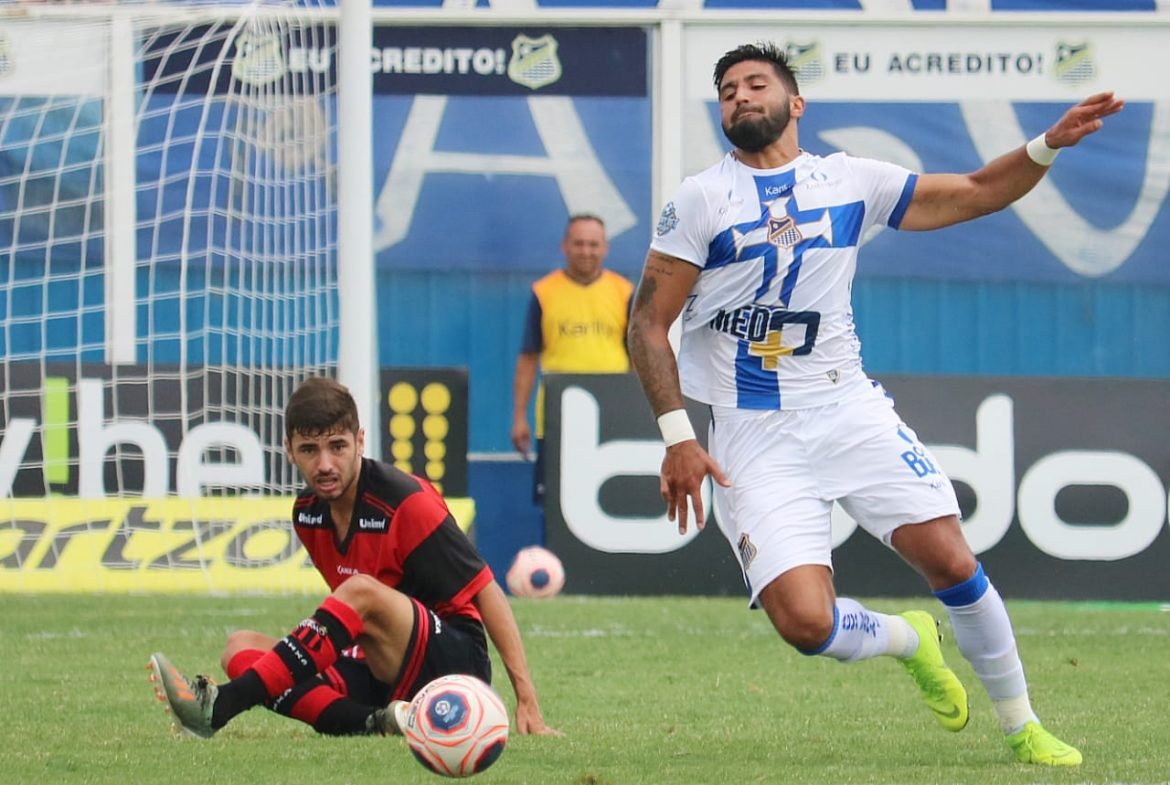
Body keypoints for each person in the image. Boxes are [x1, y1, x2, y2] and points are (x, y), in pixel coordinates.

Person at [627, 41, 1123, 767]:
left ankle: (1023, 725)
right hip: (751, 433)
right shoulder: (701, 200)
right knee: (804, 623)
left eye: (756, 84)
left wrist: (1046, 145)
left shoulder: (850, 180)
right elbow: (647, 322)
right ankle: (907, 638)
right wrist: (678, 436)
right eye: (728, 90)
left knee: (951, 558)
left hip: (846, 409)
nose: (740, 96)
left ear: (796, 102)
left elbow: (976, 190)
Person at [149, 376, 559, 739]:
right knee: (240, 648)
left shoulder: (407, 502)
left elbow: (486, 592)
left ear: (360, 442)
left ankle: (221, 706)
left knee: (360, 591)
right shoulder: (307, 513)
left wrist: (527, 700)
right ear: (289, 450)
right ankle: (376, 723)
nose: (325, 464)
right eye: (309, 449)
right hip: (379, 668)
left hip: (453, 667)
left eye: (338, 447)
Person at [511, 213, 634, 516]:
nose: (586, 251)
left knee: (614, 500)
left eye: (593, 244)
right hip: (558, 415)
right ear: (564, 246)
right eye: (578, 243)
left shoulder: (624, 292)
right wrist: (519, 417)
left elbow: (638, 359)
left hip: (613, 414)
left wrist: (640, 410)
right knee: (556, 503)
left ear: (605, 248)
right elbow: (528, 358)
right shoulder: (544, 292)